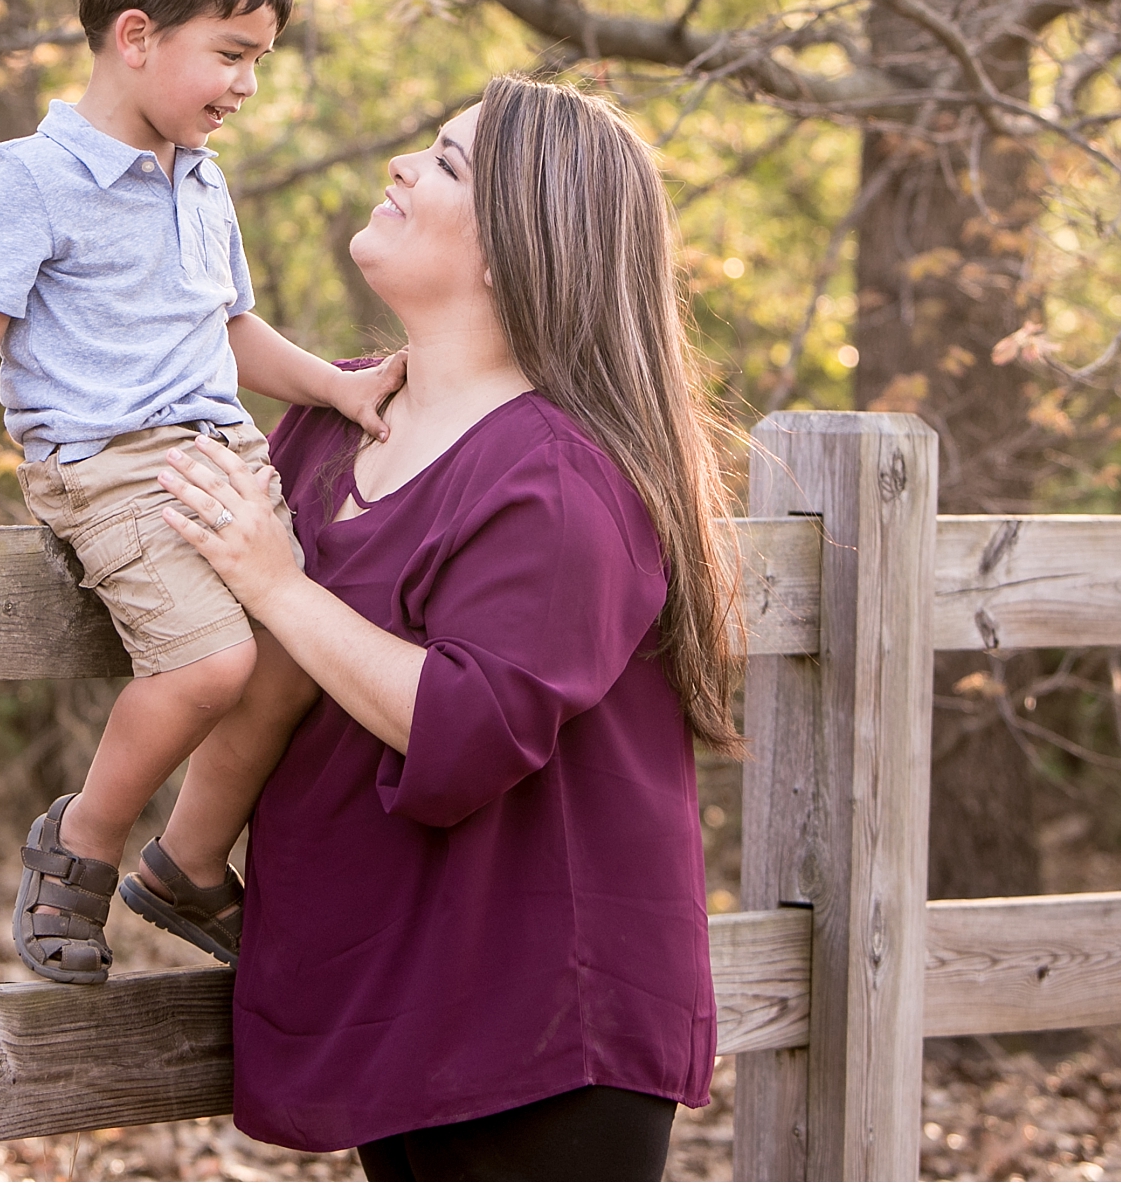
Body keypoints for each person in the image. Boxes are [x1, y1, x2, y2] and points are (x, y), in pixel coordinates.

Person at [147, 74, 747, 1181]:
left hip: (547, 1016)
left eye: (446, 161)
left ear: (514, 246)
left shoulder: (563, 478)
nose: (400, 167)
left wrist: (280, 587)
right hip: (394, 972)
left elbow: (470, 727)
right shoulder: (330, 430)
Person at [0, 0, 404, 985]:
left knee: (291, 651)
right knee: (212, 661)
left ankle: (188, 864)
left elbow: (228, 332)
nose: (247, 86)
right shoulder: (30, 177)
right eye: (231, 55)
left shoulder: (201, 178)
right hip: (110, 466)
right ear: (137, 38)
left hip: (223, 459)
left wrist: (337, 388)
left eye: (259, 59)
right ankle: (82, 838)